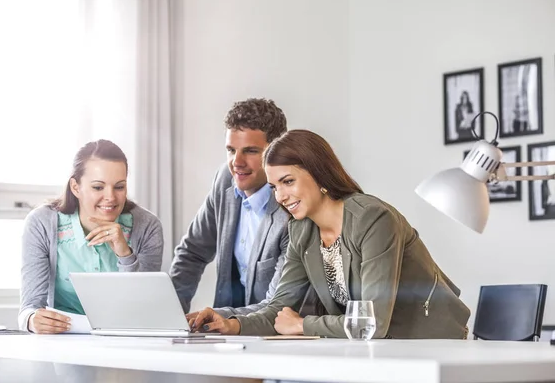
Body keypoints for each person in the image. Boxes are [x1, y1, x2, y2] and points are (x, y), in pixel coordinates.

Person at [191, 129, 471, 339]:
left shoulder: (373, 219)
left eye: (288, 181)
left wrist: (302, 325)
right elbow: (280, 308)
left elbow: (371, 323)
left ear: (319, 173)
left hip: (430, 343)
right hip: (374, 351)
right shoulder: (301, 230)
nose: (281, 196)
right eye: (275, 186)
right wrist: (232, 324)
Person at [18, 139, 164, 333]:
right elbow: (29, 308)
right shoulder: (41, 223)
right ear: (76, 187)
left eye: (119, 187)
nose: (111, 197)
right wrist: (31, 320)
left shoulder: (147, 226)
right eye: (98, 187)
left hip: (127, 341)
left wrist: (124, 253)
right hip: (63, 339)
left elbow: (144, 308)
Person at [169, 98, 291, 319]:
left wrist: (224, 319)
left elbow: (278, 302)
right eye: (231, 150)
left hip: (278, 332)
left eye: (251, 151)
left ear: (277, 151)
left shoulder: (291, 205)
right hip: (228, 334)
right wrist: (169, 315)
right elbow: (193, 253)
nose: (237, 162)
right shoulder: (225, 180)